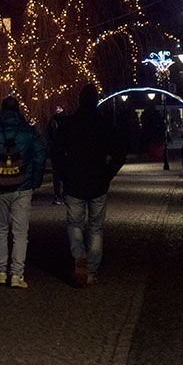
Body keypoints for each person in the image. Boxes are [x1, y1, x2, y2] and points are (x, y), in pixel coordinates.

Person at [53, 83, 126, 287]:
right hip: (98, 183)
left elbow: (57, 154)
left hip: (75, 181)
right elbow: (120, 153)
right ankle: (91, 270)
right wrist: (107, 174)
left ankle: (79, 254)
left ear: (79, 100)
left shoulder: (68, 125)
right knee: (95, 227)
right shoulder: (104, 124)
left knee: (74, 223)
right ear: (96, 101)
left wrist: (65, 176)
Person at [0, 96, 46, 289]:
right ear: (18, 111)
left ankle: (0, 272)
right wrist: (35, 180)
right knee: (20, 233)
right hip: (23, 187)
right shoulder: (29, 131)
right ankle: (17, 274)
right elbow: (40, 155)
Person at [46, 105, 66, 206]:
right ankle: (58, 195)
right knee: (58, 175)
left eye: (60, 108)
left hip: (60, 151)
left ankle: (62, 195)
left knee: (61, 174)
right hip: (58, 151)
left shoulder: (59, 121)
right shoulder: (54, 121)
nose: (58, 110)